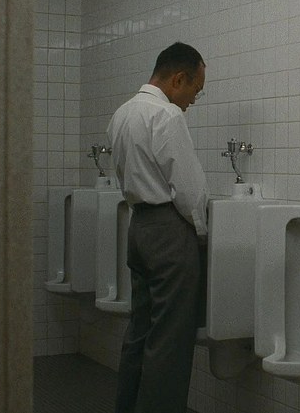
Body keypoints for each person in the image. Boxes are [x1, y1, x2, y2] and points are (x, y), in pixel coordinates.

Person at [106, 42, 209, 413]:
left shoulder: (122, 114)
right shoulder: (166, 115)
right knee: (170, 341)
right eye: (195, 89)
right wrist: (202, 235)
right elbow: (189, 191)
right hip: (168, 232)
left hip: (138, 227)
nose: (193, 100)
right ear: (178, 79)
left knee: (140, 331)